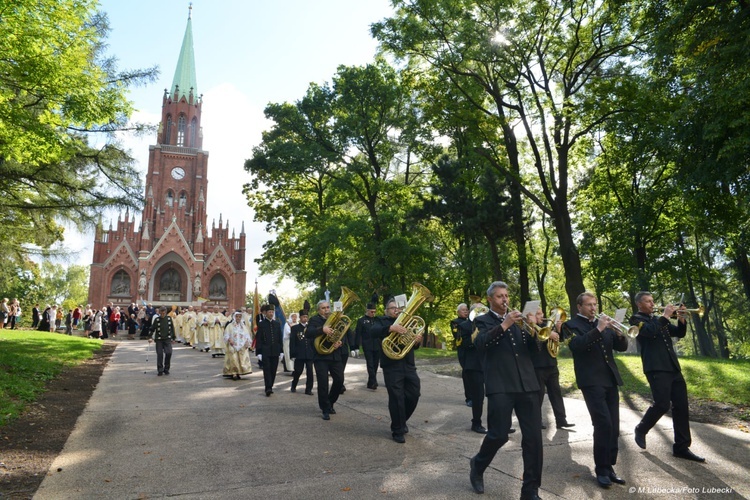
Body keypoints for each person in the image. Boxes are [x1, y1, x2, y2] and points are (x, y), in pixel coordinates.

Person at [469, 281, 542, 499]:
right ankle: (478, 464)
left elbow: (535, 352)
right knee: (499, 435)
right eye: (500, 296)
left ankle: (530, 491)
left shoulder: (520, 323)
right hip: (500, 385)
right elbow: (480, 344)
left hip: (527, 385)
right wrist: (504, 325)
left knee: (534, 440)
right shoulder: (481, 321)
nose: (505, 300)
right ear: (490, 299)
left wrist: (533, 330)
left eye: (507, 296)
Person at [630, 292, 705, 463]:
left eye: (652, 300)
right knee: (662, 404)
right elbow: (649, 332)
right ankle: (641, 428)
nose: (652, 303)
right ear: (639, 304)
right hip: (656, 368)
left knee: (681, 406)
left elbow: (679, 332)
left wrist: (681, 318)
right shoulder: (635, 320)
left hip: (672, 367)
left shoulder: (658, 319)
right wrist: (665, 316)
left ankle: (681, 447)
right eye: (648, 301)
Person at [566, 292, 628, 488]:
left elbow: (622, 347)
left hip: (610, 378)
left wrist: (618, 332)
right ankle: (601, 469)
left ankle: (609, 466)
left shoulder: (604, 323)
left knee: (614, 425)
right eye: (589, 305)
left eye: (595, 304)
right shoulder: (571, 325)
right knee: (603, 424)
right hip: (591, 381)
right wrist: (599, 328)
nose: (594, 308)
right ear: (579, 307)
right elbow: (577, 346)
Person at [371, 297, 422, 444]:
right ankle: (398, 429)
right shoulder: (381, 321)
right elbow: (372, 331)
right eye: (393, 308)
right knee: (396, 397)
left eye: (398, 308)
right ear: (387, 310)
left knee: (414, 394)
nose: (396, 310)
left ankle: (400, 420)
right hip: (391, 366)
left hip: (408, 365)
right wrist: (390, 328)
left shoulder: (408, 322)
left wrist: (417, 341)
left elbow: (413, 344)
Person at [529, 307, 574, 431]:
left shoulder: (547, 325)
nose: (541, 315)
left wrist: (558, 330)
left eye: (541, 313)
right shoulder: (529, 328)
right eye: (538, 314)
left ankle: (561, 420)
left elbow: (560, 340)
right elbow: (535, 345)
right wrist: (548, 334)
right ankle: (536, 421)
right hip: (537, 366)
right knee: (539, 396)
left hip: (551, 364)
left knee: (556, 393)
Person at [305, 300, 345, 420]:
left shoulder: (337, 319)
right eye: (323, 308)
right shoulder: (314, 320)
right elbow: (308, 333)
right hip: (320, 356)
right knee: (323, 383)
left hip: (335, 355)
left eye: (328, 307)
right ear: (319, 310)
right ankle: (325, 409)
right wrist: (322, 329)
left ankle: (330, 402)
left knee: (339, 380)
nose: (326, 309)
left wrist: (340, 342)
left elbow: (343, 334)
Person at [457, 303, 487, 434]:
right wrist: (476, 331)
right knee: (478, 396)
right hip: (474, 365)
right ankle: (476, 423)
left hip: (489, 363)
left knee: (497, 395)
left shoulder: (488, 324)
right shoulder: (464, 326)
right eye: (478, 310)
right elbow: (464, 344)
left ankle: (499, 423)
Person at [257, 304, 283, 396]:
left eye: (272, 312)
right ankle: (268, 388)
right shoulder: (261, 324)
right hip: (265, 350)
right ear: (266, 313)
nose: (271, 314)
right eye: (269, 312)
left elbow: (280, 338)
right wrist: (259, 352)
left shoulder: (277, 323)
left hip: (275, 350)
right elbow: (259, 338)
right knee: (267, 370)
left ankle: (270, 385)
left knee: (273, 370)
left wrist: (281, 351)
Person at [451, 303, 473, 406]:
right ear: (458, 312)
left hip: (473, 350)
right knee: (467, 374)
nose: (466, 312)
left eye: (467, 310)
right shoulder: (455, 322)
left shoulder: (472, 321)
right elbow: (457, 336)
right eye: (463, 310)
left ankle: (476, 396)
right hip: (463, 351)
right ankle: (469, 398)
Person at [356, 302, 380, 390]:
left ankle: (370, 383)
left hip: (377, 345)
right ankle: (374, 381)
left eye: (374, 312)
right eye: (371, 312)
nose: (373, 314)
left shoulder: (377, 320)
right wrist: (356, 347)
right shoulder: (361, 320)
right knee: (370, 364)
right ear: (367, 311)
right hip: (367, 345)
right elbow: (358, 334)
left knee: (375, 364)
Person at [289, 310, 314, 395]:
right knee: (298, 371)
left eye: (306, 317)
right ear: (300, 318)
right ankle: (294, 385)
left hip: (309, 353)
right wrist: (292, 354)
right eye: (303, 317)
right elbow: (292, 342)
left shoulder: (310, 328)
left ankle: (308, 389)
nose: (305, 318)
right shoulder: (295, 328)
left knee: (310, 372)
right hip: (299, 354)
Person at [223, 310, 253, 380]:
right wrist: (230, 340)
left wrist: (247, 342)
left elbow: (247, 335)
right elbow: (226, 334)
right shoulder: (230, 326)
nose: (238, 318)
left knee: (240, 359)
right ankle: (234, 373)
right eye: (237, 316)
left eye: (240, 317)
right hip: (232, 345)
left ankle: (239, 372)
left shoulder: (243, 326)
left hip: (242, 346)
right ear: (234, 317)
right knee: (233, 359)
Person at [149, 306, 176, 376]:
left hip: (167, 339)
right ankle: (160, 369)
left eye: (164, 313)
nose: (163, 314)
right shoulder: (157, 320)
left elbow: (172, 329)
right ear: (159, 312)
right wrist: (150, 337)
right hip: (159, 339)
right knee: (160, 354)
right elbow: (152, 328)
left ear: (166, 312)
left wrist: (173, 338)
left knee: (169, 353)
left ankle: (166, 369)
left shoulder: (169, 319)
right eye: (161, 313)